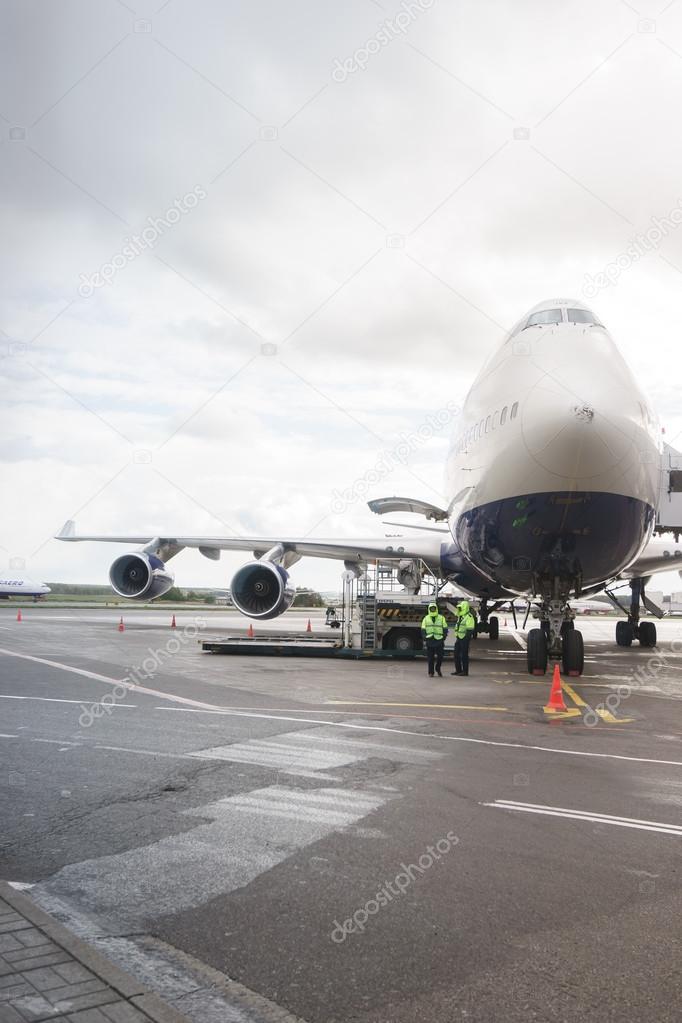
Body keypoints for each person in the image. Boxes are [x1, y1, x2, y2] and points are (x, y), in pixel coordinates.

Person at [420, 602, 449, 677]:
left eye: (434, 608)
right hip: (430, 639)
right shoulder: (426, 618)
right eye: (431, 608)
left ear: (436, 609)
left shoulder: (441, 617)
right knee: (430, 658)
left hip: (439, 640)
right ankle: (431, 672)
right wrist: (424, 636)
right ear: (429, 609)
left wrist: (444, 637)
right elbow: (423, 628)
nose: (433, 609)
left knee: (440, 657)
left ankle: (438, 668)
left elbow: (445, 628)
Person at [451, 600, 476, 676]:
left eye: (461, 608)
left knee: (464, 655)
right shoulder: (461, 616)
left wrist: (465, 638)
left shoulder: (469, 617)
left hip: (464, 638)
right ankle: (458, 670)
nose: (459, 609)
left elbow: (470, 629)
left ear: (464, 608)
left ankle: (465, 671)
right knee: (456, 654)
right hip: (459, 637)